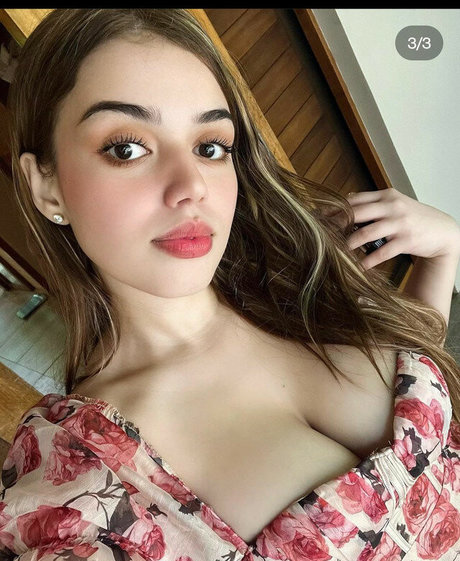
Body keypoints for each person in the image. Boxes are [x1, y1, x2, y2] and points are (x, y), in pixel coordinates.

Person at [1, 8, 460, 560]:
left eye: (210, 146)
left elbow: (422, 450)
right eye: (126, 148)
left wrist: (445, 254)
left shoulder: (301, 284)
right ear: (46, 186)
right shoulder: (86, 480)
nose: (191, 185)